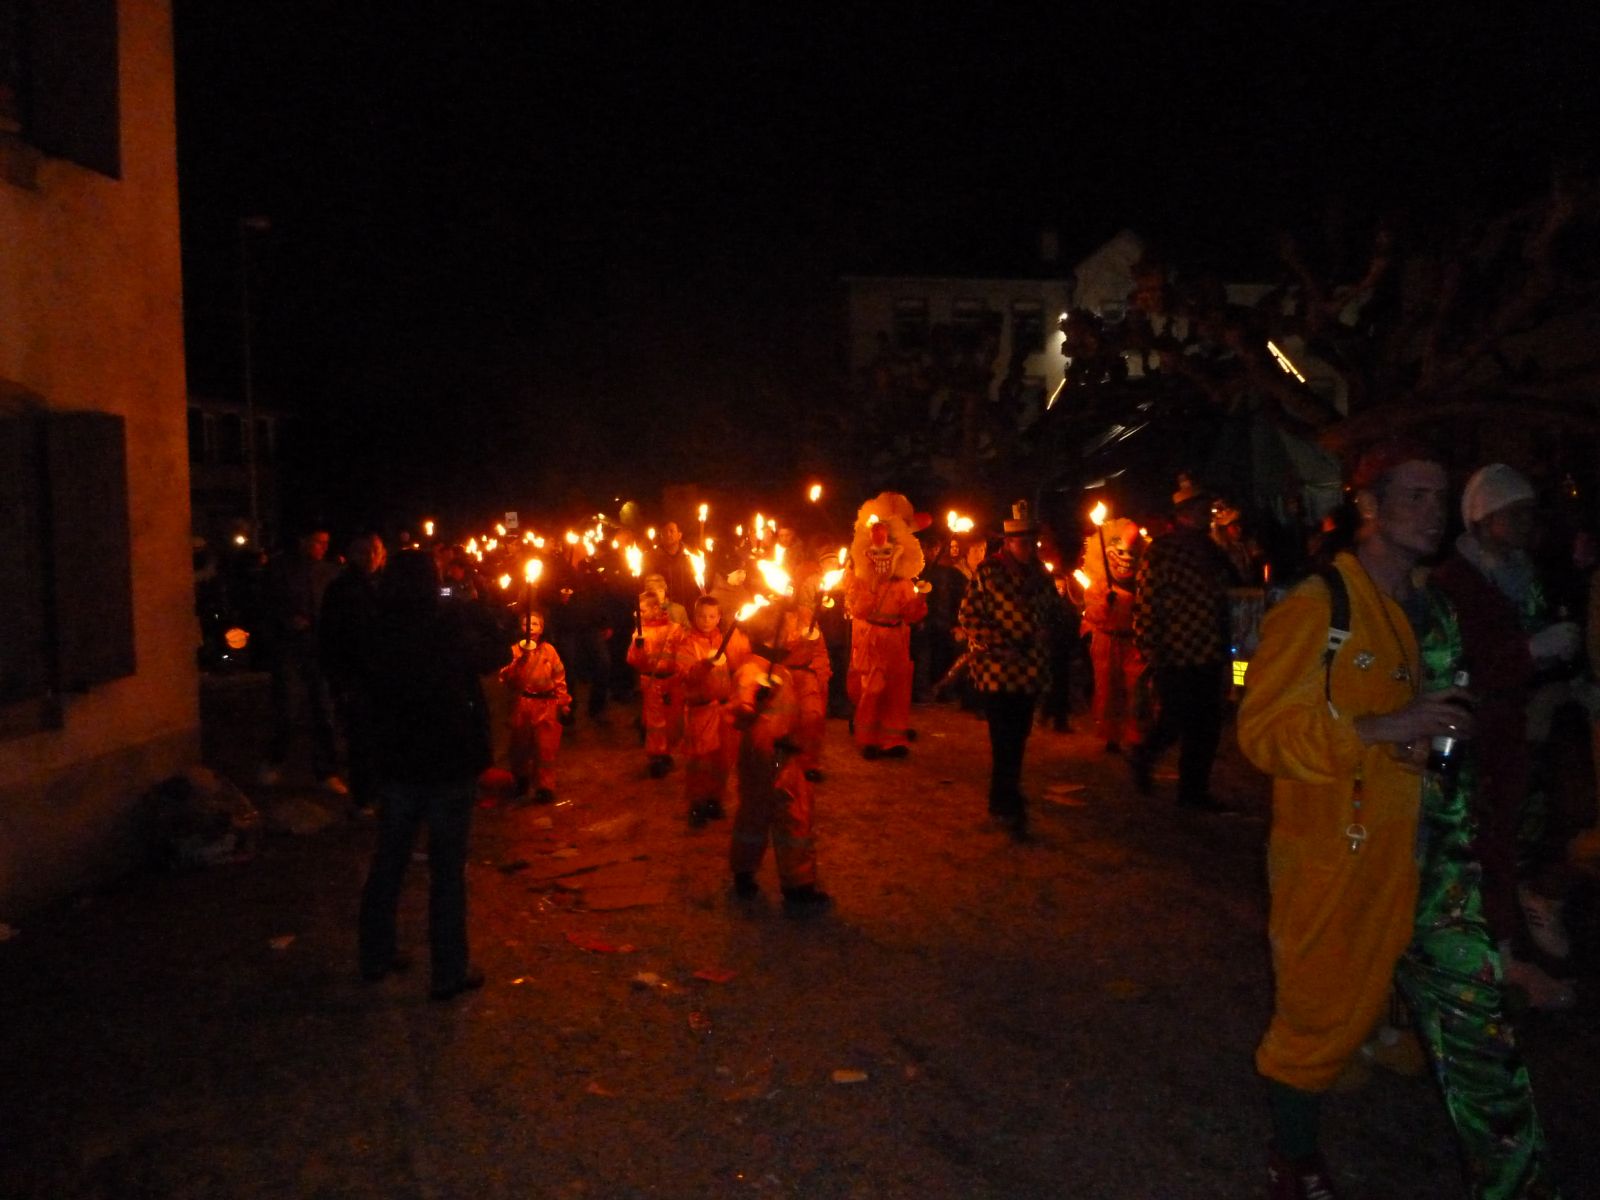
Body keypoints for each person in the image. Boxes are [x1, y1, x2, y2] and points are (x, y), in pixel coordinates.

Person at [1238, 441, 1559, 1199]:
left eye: (1440, 497)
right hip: (1340, 855)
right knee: (1318, 1019)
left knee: (1477, 1024)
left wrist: (1420, 744)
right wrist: (1381, 728)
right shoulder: (1320, 605)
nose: (1433, 512)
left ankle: (1516, 1183)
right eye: (1414, 495)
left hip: (1431, 858)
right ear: (1368, 506)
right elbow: (1263, 733)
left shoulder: (1428, 605)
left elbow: (1415, 723)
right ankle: (1293, 1159)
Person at [1428, 463, 1582, 1010]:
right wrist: (1529, 653)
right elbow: (1457, 663)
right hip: (1475, 735)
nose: (1523, 525)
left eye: (1527, 514)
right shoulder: (1455, 582)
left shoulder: (1519, 573)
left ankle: (1502, 953)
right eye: (1511, 514)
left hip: (1516, 727)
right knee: (1477, 844)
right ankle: (1487, 963)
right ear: (1481, 518)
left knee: (1512, 839)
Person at [356, 549, 505, 1001]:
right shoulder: (447, 621)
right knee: (446, 868)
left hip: (398, 759)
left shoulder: (378, 626)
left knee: (390, 859)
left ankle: (376, 954)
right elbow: (493, 656)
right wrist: (480, 607)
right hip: (447, 759)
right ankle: (448, 970)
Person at [1130, 481, 1234, 811]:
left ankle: (1193, 791)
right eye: (1202, 509)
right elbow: (1147, 601)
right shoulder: (1162, 550)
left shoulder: (1211, 549)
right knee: (1175, 718)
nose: (1208, 514)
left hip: (1211, 648)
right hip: (1176, 651)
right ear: (1186, 513)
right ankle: (1144, 755)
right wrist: (1150, 646)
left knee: (1207, 724)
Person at [957, 501, 1057, 839]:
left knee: (1019, 735)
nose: (1029, 548)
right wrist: (999, 642)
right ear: (1009, 542)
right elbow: (969, 615)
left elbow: (1052, 612)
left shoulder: (1042, 575)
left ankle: (1005, 797)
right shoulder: (988, 572)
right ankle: (1007, 801)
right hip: (998, 669)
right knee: (1003, 738)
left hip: (1029, 670)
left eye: (1033, 542)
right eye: (1023, 542)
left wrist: (1050, 629)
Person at [727, 603, 831, 916]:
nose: (790, 634)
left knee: (760, 812)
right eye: (786, 629)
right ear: (771, 635)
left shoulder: (777, 667)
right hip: (771, 754)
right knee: (786, 814)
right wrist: (751, 703)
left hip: (776, 751)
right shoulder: (754, 670)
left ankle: (748, 872)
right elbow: (740, 709)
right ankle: (795, 885)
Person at [844, 492, 928, 758]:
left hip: (897, 641)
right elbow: (857, 609)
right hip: (872, 639)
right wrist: (871, 589)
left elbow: (912, 615)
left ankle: (894, 738)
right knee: (872, 689)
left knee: (897, 691)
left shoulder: (904, 584)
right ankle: (868, 738)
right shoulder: (860, 581)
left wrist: (920, 598)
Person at [261, 523, 342, 791]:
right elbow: (266, 604)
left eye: (326, 543)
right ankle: (274, 760)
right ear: (303, 541)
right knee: (287, 708)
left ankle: (326, 771)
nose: (323, 547)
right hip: (290, 647)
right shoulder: (280, 569)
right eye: (318, 542)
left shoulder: (329, 571)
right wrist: (287, 620)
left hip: (319, 648)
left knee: (324, 711)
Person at [318, 532, 387, 814]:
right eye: (364, 551)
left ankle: (378, 791)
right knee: (360, 736)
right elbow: (332, 635)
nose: (370, 557)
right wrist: (340, 677)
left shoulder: (383, 585)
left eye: (375, 551)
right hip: (355, 674)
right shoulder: (342, 589)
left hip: (379, 672)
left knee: (379, 735)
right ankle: (364, 797)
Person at [676, 595, 750, 827]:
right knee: (701, 760)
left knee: (723, 759)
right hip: (701, 710)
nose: (706, 621)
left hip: (724, 709)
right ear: (694, 616)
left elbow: (741, 664)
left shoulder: (725, 639)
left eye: (711, 616)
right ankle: (697, 803)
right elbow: (687, 675)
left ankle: (714, 799)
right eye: (702, 616)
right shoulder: (687, 643)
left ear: (719, 618)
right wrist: (706, 664)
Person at [1081, 516, 1145, 755]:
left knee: (1136, 689)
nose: (1126, 558)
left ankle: (1135, 734)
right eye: (1120, 552)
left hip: (1133, 642)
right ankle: (1112, 735)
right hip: (1107, 642)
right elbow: (1092, 614)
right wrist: (1105, 604)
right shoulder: (1099, 586)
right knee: (1108, 690)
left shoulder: (1141, 585)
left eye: (1131, 553)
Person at [498, 611, 572, 805]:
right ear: (520, 628)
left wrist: (563, 702)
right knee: (521, 745)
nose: (530, 628)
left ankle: (545, 786)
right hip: (523, 703)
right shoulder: (514, 651)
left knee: (545, 747)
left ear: (542, 628)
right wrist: (519, 663)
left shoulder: (549, 651)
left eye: (535, 624)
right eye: (526, 624)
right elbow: (506, 678)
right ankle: (521, 781)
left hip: (546, 704)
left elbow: (559, 677)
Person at [628, 587, 687, 777]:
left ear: (655, 609)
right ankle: (657, 756)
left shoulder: (674, 629)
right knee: (656, 723)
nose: (638, 614)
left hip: (672, 681)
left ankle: (667, 751)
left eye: (642, 610)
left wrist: (680, 673)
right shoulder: (640, 632)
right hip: (652, 682)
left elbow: (683, 654)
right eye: (637, 610)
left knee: (672, 720)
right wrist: (638, 647)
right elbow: (633, 661)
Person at [647, 521, 700, 609]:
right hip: (663, 609)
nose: (668, 534)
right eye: (665, 532)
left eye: (671, 531)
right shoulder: (652, 558)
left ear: (679, 535)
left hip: (688, 607)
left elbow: (698, 583)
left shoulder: (690, 556)